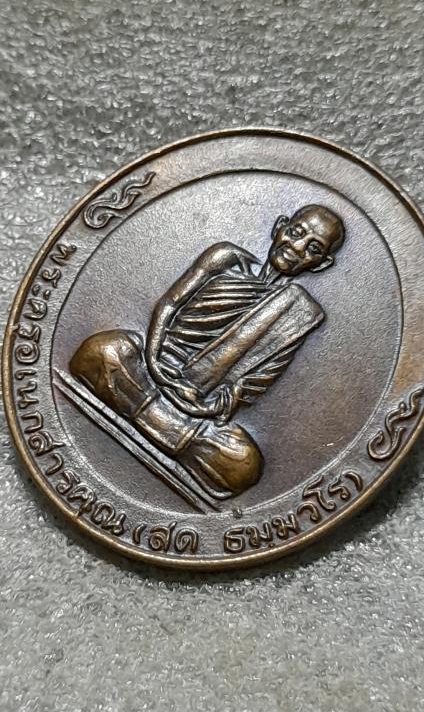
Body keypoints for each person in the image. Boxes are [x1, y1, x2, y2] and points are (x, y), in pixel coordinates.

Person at [70, 205, 345, 497]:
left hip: (196, 404)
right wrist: (154, 361)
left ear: (321, 264)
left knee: (243, 464)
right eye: (296, 233)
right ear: (280, 227)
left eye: (313, 248)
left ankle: (152, 418)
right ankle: (170, 434)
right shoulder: (226, 258)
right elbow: (169, 305)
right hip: (151, 365)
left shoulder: (299, 314)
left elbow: (253, 384)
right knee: (103, 351)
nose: (297, 248)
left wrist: (206, 408)